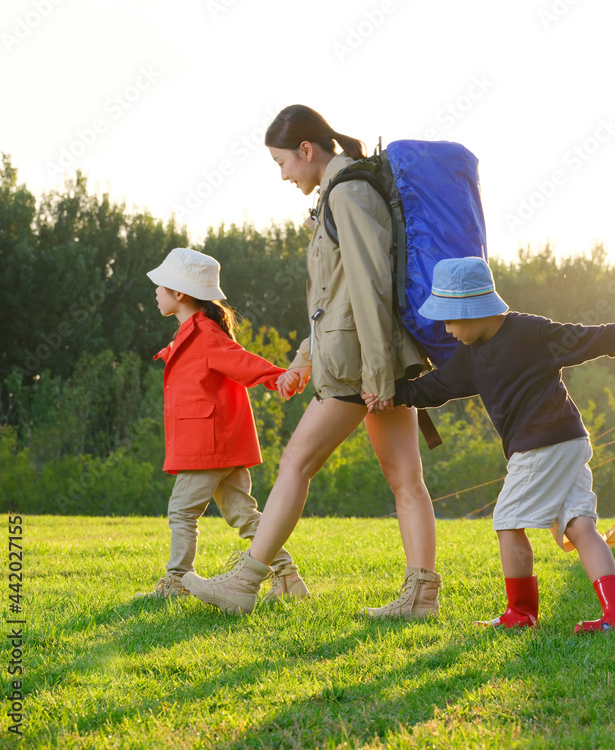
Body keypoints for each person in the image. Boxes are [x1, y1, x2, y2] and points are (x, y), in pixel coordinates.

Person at [183, 105, 440, 617]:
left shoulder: (349, 192)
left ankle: (246, 582)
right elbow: (336, 297)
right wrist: (304, 358)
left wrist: (374, 373)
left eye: (282, 162)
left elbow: (369, 285)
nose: (282, 175)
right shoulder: (342, 192)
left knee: (297, 462)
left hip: (360, 365)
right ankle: (422, 596)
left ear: (306, 150)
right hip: (368, 357)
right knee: (405, 478)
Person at [363, 257, 615, 633]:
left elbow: (593, 337)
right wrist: (393, 395)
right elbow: (436, 387)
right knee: (579, 525)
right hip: (569, 440)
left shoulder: (532, 332)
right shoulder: (470, 354)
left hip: (541, 444)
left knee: (507, 522)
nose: (446, 330)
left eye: (450, 319)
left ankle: (521, 614)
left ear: (473, 309)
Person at [138, 247, 308, 603]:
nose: (155, 292)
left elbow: (241, 362)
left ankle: (176, 583)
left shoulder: (204, 334)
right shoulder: (193, 332)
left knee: (182, 511)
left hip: (208, 445)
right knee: (243, 514)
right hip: (218, 443)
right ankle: (288, 578)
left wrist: (280, 376)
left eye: (160, 286)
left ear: (179, 293)